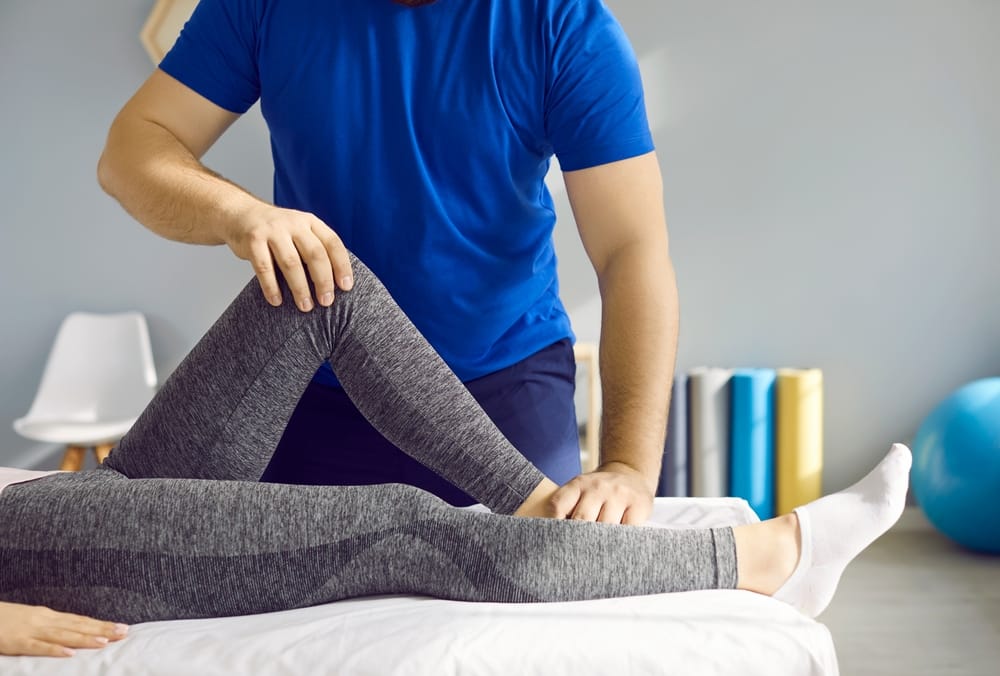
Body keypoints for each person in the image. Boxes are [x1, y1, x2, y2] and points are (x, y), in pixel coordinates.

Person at [1, 256, 911, 658]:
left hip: (42, 506)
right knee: (398, 521)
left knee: (318, 286)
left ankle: (532, 505)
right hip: (25, 545)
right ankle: (764, 561)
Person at [97, 0, 676, 523]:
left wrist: (627, 465)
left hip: (501, 389)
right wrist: (237, 213)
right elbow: (132, 150)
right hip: (314, 390)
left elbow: (631, 253)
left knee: (534, 598)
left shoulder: (562, 24)